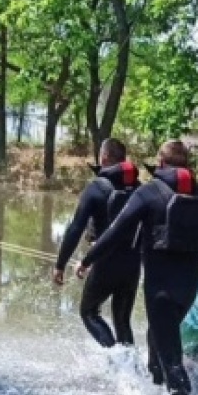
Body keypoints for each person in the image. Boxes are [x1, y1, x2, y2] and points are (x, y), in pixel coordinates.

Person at [77, 140, 198, 395]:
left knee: (171, 360)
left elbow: (116, 232)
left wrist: (87, 259)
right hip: (188, 290)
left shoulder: (148, 192)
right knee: (156, 339)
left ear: (161, 163)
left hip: (160, 292)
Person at [53, 138, 141, 347]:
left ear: (104, 157)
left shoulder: (96, 187)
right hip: (133, 263)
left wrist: (60, 265)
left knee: (89, 312)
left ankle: (115, 358)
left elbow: (75, 229)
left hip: (105, 261)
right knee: (122, 321)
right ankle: (131, 363)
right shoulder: (140, 189)